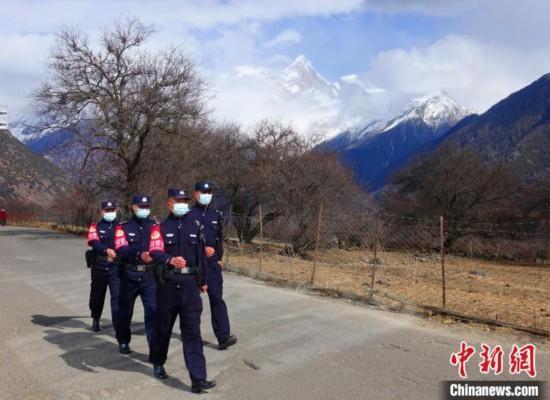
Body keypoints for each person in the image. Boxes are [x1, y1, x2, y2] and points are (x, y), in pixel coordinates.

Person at [148, 188, 215, 394]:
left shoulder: (195, 226)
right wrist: (169, 260)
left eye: (185, 200)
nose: (183, 204)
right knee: (163, 329)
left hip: (189, 286)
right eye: (178, 200)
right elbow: (154, 250)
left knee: (192, 333)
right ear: (169, 203)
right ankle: (158, 362)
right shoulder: (159, 228)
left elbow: (201, 257)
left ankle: (198, 378)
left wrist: (203, 280)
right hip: (167, 285)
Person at [190, 181, 236, 350]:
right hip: (193, 264)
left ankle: (223, 336)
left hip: (211, 264)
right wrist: (202, 250)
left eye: (209, 191)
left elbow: (219, 238)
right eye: (203, 191)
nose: (207, 194)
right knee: (192, 303)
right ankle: (191, 335)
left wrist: (219, 257)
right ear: (195, 194)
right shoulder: (188, 214)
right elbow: (184, 242)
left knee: (217, 298)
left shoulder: (216, 214)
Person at [114, 194, 157, 354]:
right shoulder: (123, 227)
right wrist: (139, 253)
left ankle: (154, 349)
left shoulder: (155, 227)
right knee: (125, 311)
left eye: (146, 207)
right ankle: (123, 340)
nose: (144, 210)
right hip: (129, 275)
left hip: (149, 276)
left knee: (153, 312)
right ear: (133, 207)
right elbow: (121, 249)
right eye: (140, 206)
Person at [87, 200, 120, 332]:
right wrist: (106, 250)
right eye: (107, 210)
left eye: (112, 210)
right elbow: (93, 241)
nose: (110, 212)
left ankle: (117, 324)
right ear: (101, 211)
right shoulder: (95, 226)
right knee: (97, 295)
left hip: (116, 266)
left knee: (117, 296)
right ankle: (96, 318)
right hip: (99, 264)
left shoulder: (121, 227)